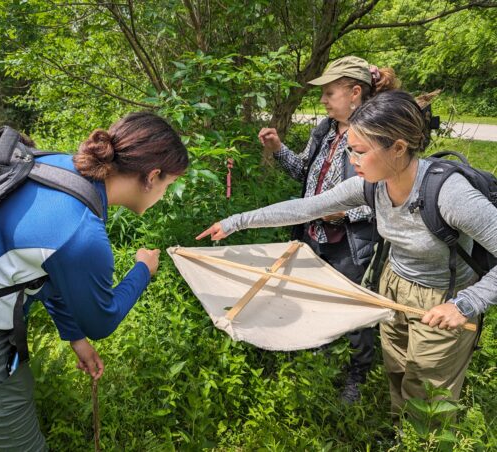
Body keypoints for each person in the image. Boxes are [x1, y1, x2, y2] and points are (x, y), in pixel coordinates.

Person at [0, 112, 189, 450]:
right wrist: (142, 269)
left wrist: (74, 337)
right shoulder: (82, 231)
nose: (164, 194)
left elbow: (45, 267)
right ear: (152, 176)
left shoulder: (55, 167)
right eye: (168, 185)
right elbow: (103, 319)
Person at [197, 90, 496, 417]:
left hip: (443, 297)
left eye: (360, 152)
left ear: (397, 147)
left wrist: (465, 305)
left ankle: (425, 438)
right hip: (393, 286)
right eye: (350, 150)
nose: (352, 161)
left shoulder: (450, 195)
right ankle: (401, 430)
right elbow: (308, 207)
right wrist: (236, 223)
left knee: (428, 389)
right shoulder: (372, 184)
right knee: (398, 370)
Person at [258, 56, 400, 402]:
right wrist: (278, 150)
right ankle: (317, 361)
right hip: (313, 236)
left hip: (351, 243)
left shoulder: (378, 134)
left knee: (351, 309)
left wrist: (345, 215)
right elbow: (303, 173)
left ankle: (357, 377)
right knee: (309, 299)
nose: (323, 100)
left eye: (329, 92)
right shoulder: (323, 131)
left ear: (355, 93)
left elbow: (389, 193)